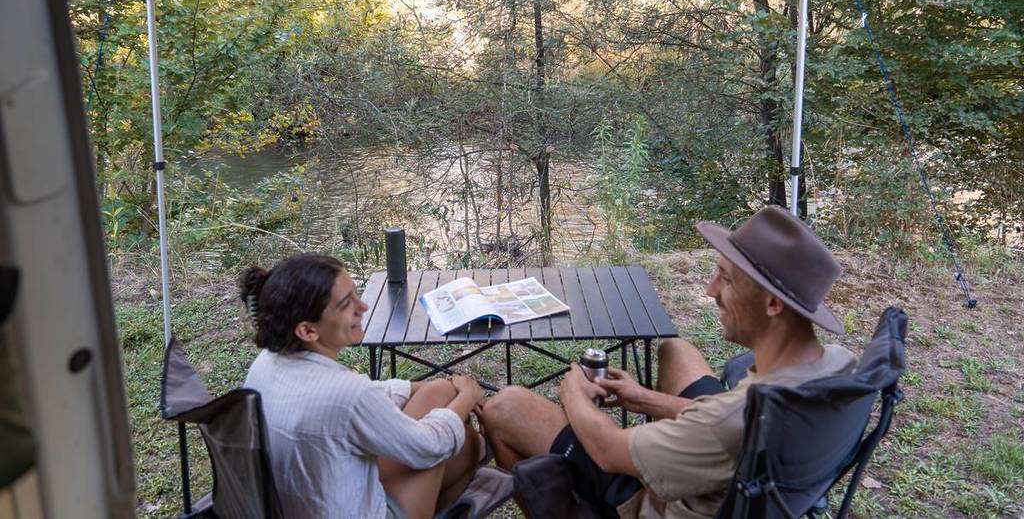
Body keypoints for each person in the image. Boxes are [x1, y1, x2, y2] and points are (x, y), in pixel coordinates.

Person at [480, 205, 856, 519]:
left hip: (653, 503)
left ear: (773, 304)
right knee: (676, 350)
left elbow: (610, 450)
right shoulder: (836, 368)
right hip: (734, 471)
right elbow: (725, 422)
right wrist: (642, 398)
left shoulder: (729, 422)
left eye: (725, 279)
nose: (711, 290)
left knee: (504, 406)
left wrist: (574, 394)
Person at [239, 253, 485, 519]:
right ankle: (479, 449)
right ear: (307, 331)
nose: (363, 307)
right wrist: (468, 396)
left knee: (441, 392)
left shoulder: (267, 363)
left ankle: (475, 448)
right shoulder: (346, 392)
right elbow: (427, 447)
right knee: (463, 444)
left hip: (295, 505)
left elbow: (366, 399)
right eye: (346, 304)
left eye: (356, 294)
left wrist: (440, 388)